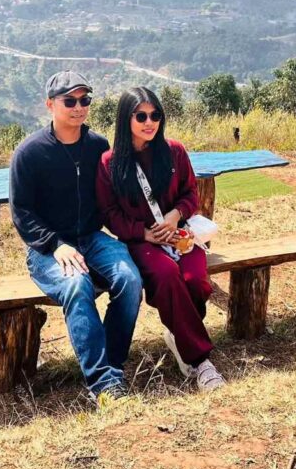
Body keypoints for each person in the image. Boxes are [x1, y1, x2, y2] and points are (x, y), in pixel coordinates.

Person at [9, 70, 143, 406]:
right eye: (70, 101)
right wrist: (56, 245)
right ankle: (102, 384)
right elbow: (21, 212)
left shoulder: (98, 146)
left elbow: (113, 196)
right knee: (76, 284)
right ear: (50, 105)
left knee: (130, 279)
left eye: (85, 100)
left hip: (92, 238)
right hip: (47, 249)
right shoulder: (29, 153)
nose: (79, 107)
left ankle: (111, 367)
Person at [96, 86, 226, 391]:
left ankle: (179, 334)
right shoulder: (109, 163)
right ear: (125, 119)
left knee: (196, 281)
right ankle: (201, 362)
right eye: (141, 116)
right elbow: (109, 213)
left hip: (179, 235)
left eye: (155, 115)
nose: (149, 122)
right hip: (141, 242)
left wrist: (175, 215)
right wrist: (143, 233)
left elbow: (190, 193)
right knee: (166, 276)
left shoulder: (174, 151)